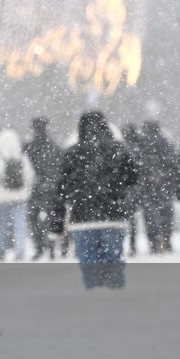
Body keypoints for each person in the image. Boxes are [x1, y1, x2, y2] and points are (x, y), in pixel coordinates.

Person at [51, 111, 137, 288]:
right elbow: (132, 178)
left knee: (89, 264)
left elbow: (60, 190)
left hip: (83, 219)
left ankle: (93, 303)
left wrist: (56, 224)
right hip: (114, 217)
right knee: (113, 262)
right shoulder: (119, 150)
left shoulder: (72, 154)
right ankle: (116, 301)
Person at [128, 120, 178, 255]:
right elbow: (174, 165)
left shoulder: (141, 145)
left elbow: (137, 166)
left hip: (147, 188)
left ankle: (154, 242)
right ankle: (166, 240)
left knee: (150, 215)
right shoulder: (166, 143)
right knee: (166, 215)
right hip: (164, 186)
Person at [0, 129, 35, 261]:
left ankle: (1, 250)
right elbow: (29, 176)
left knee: (4, 224)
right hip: (21, 195)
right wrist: (26, 189)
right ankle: (20, 250)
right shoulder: (22, 156)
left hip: (3, 197)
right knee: (20, 223)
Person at [23, 117, 64, 259]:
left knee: (33, 218)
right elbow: (60, 168)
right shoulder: (54, 147)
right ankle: (51, 247)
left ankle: (39, 247)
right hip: (52, 188)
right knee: (51, 218)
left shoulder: (28, 147)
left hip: (36, 188)